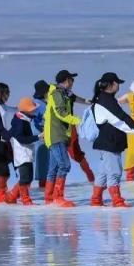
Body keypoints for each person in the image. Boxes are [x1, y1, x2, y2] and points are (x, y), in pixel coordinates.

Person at [90, 73, 134, 207]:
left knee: (103, 172)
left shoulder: (102, 98)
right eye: (117, 83)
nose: (119, 85)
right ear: (111, 84)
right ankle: (117, 200)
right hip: (110, 142)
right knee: (114, 171)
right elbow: (121, 117)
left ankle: (96, 199)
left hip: (106, 141)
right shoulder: (107, 100)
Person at [43, 70, 83, 207]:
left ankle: (49, 198)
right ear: (66, 81)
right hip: (55, 135)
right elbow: (61, 113)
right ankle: (58, 197)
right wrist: (77, 120)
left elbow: (76, 98)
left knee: (53, 168)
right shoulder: (57, 94)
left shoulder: (64, 93)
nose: (73, 82)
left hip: (59, 135)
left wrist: (90, 102)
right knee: (64, 165)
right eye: (72, 80)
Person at [4, 97, 41, 205]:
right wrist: (38, 137)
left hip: (26, 153)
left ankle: (11, 196)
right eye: (33, 109)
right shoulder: (20, 121)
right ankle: (25, 199)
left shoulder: (23, 119)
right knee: (25, 177)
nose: (35, 111)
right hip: (22, 154)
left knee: (28, 177)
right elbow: (21, 138)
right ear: (26, 110)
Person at [32, 80, 50, 188]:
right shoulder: (38, 104)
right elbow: (36, 120)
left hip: (43, 134)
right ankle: (43, 185)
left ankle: (44, 184)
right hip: (41, 135)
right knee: (42, 160)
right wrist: (43, 129)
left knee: (45, 160)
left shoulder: (41, 102)